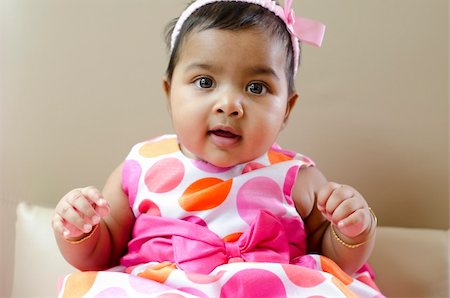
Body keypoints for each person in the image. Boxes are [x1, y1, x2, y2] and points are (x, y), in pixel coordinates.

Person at [53, 0, 384, 296]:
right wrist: (82, 229)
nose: (229, 105)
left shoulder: (297, 176)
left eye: (256, 87)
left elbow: (338, 260)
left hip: (269, 288)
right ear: (170, 93)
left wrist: (351, 230)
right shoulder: (141, 164)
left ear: (286, 109)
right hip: (163, 288)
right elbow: (100, 255)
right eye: (205, 82)